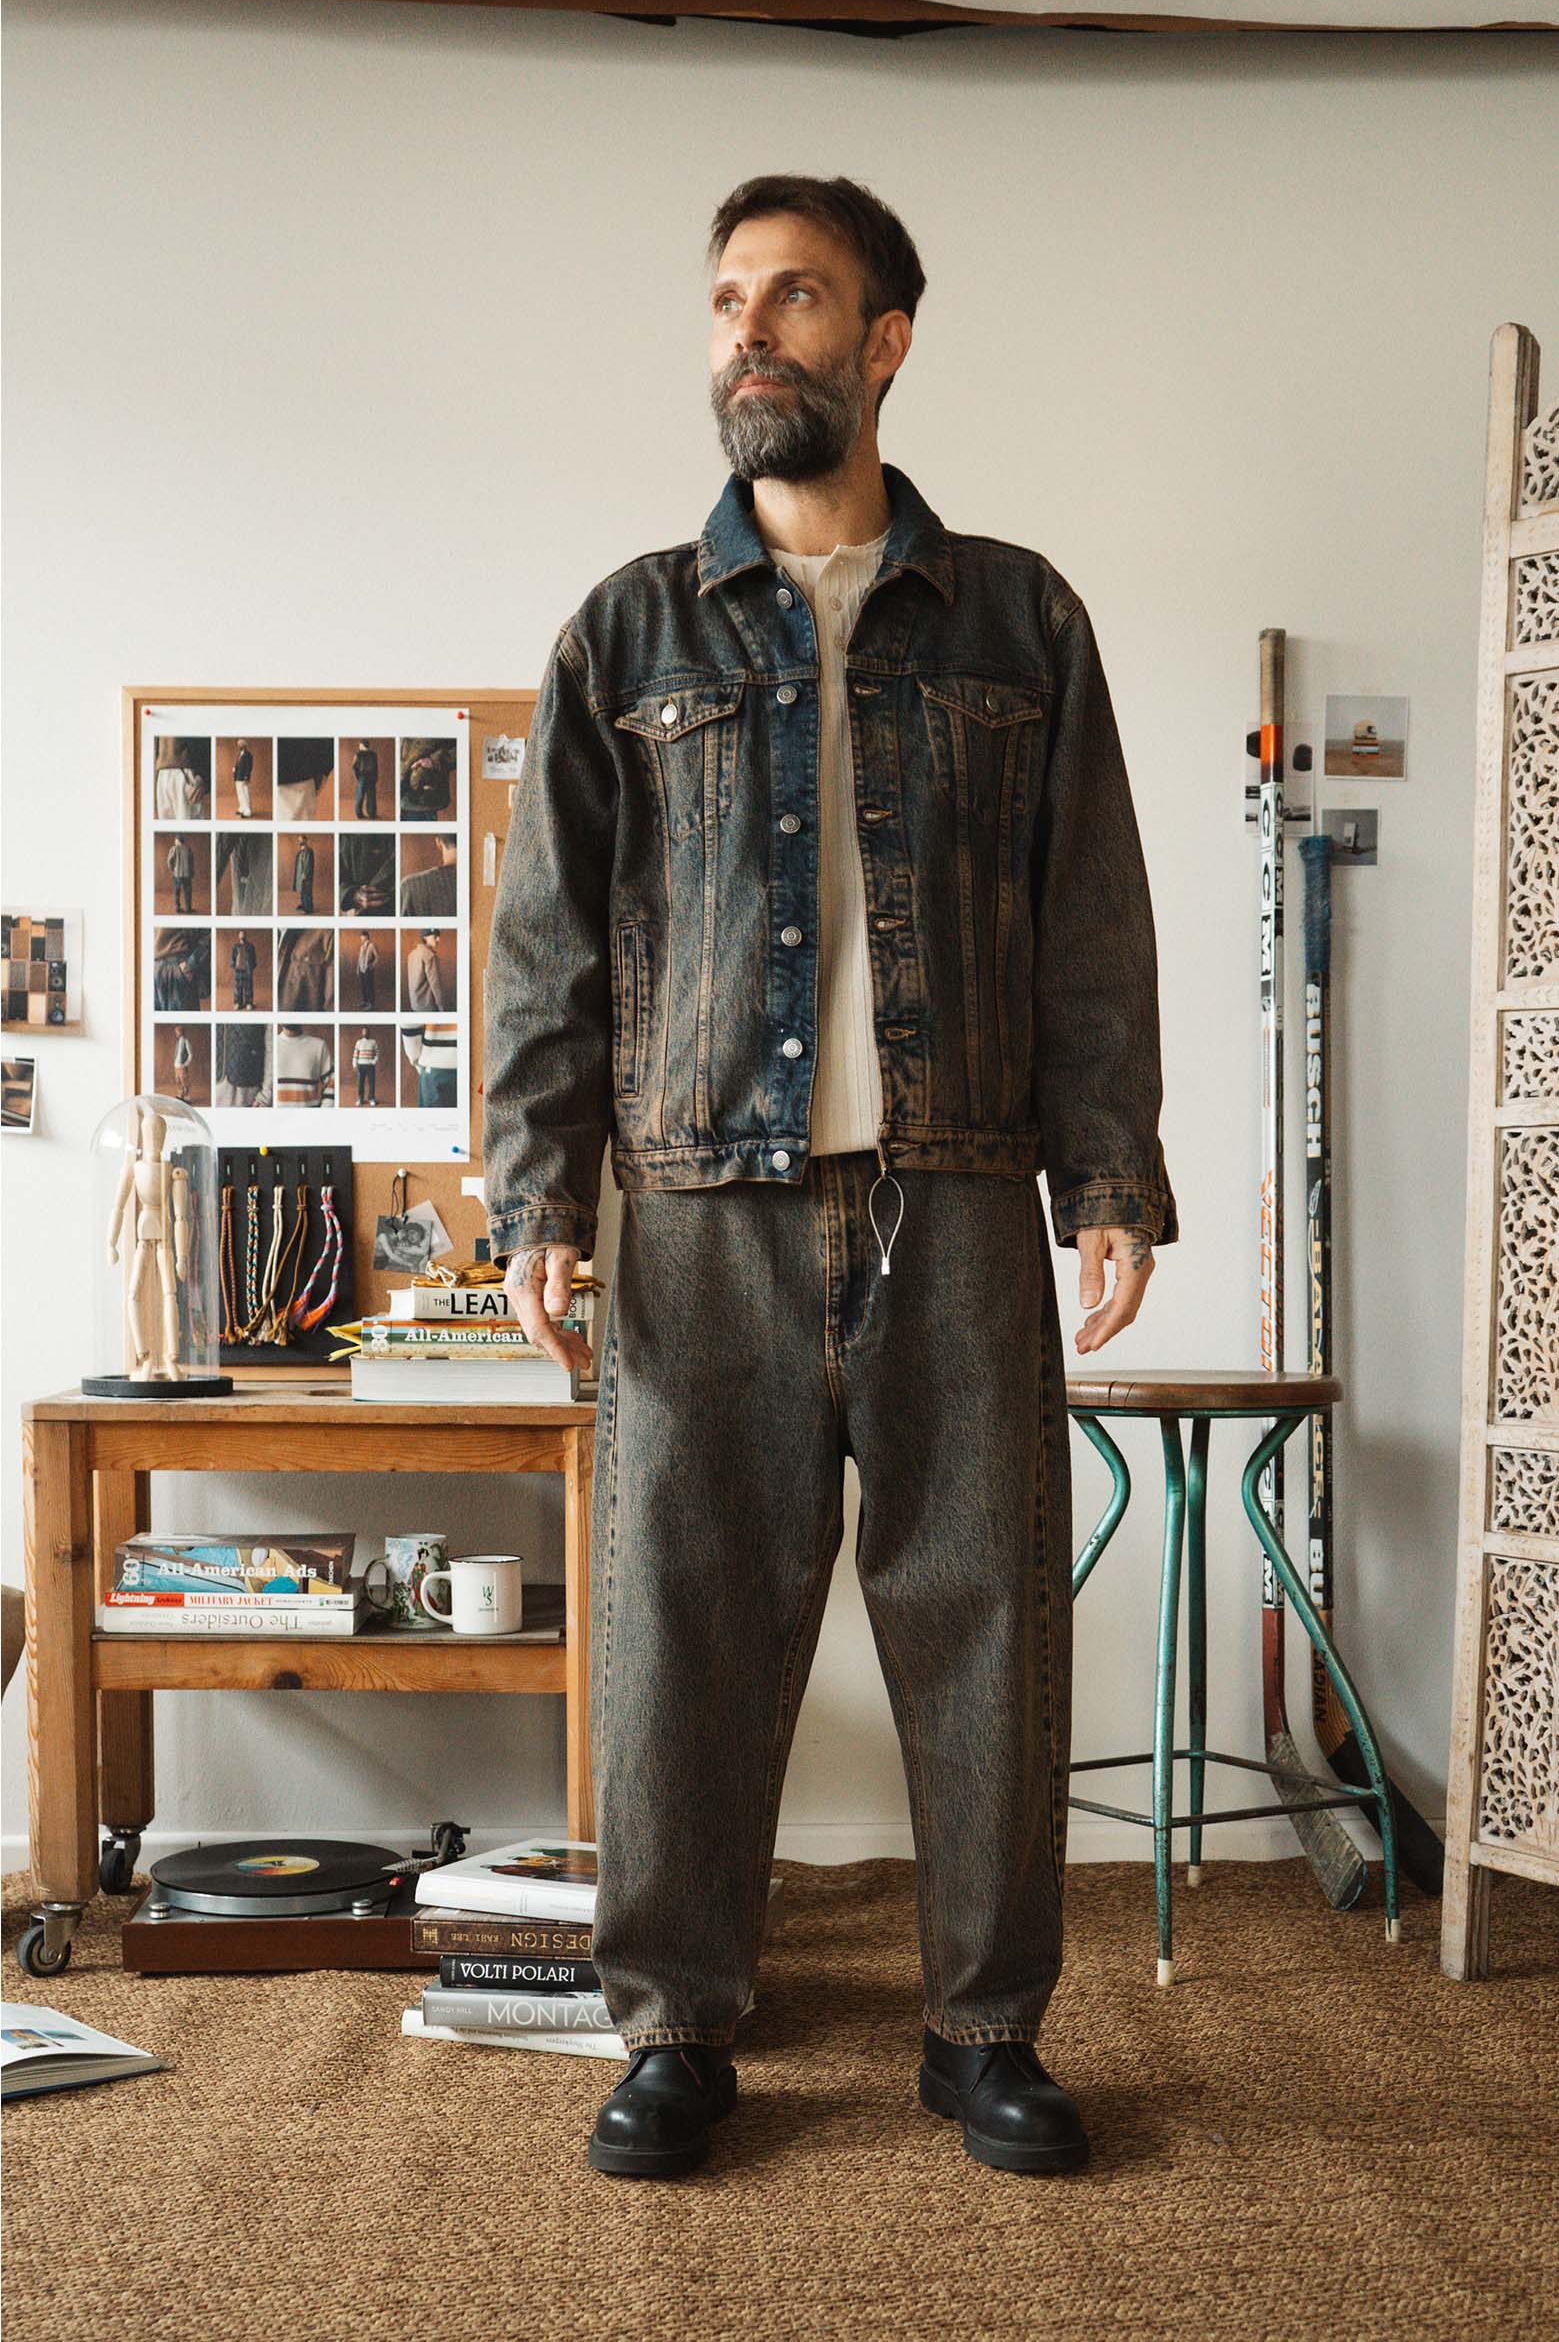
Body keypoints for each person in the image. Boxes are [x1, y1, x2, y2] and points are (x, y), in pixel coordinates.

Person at [483, 175, 1177, 2183]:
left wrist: (1105, 1170)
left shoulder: (1018, 618)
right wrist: (537, 1197)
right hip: (694, 1203)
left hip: (955, 1191)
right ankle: (676, 2029)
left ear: (882, 341)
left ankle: (981, 2031)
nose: (746, 331)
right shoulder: (626, 628)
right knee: (681, 1626)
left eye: (792, 296)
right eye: (725, 298)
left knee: (983, 1619)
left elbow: (1087, 917)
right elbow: (546, 945)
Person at [406, 929, 446, 1012]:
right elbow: (435, 983)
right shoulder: (430, 956)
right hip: (428, 1005)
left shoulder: (412, 954)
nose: (438, 939)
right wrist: (440, 1004)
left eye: (439, 936)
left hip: (415, 1003)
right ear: (425, 937)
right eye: (435, 936)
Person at [165, 835, 195, 915]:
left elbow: (169, 861)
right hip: (187, 874)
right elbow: (191, 863)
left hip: (177, 874)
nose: (175, 841)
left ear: (178, 841)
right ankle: (188, 908)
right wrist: (192, 873)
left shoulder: (173, 849)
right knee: (187, 892)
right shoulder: (188, 849)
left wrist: (173, 869)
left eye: (175, 840)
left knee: (177, 892)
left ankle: (177, 908)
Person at [230, 930, 256, 1011]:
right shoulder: (235, 946)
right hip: (238, 969)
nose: (242, 935)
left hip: (247, 968)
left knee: (248, 986)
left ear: (245, 935)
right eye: (240, 934)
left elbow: (253, 957)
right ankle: (238, 1003)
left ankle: (249, 1003)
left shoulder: (250, 946)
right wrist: (233, 965)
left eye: (243, 934)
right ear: (238, 936)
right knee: (238, 987)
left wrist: (251, 966)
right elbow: (233, 957)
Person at [353, 741, 379, 821]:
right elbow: (376, 767)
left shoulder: (358, 754)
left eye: (359, 745)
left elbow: (354, 766)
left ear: (362, 745)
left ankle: (359, 814)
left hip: (362, 778)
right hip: (371, 778)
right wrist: (376, 778)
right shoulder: (374, 754)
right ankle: (372, 814)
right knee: (371, 796)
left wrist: (357, 777)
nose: (359, 746)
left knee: (360, 796)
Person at [353, 1030, 379, 1107]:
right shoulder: (358, 1042)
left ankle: (371, 1098)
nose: (365, 1033)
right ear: (361, 1033)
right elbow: (355, 1054)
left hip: (370, 1065)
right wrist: (354, 1064)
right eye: (363, 1032)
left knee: (372, 1083)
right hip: (360, 1065)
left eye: (366, 1032)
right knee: (360, 1083)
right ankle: (360, 1098)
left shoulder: (373, 1042)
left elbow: (377, 1052)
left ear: (369, 1033)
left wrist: (374, 1061)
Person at [292, 835, 316, 917]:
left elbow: (308, 863)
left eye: (301, 840)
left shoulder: (309, 851)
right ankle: (303, 905)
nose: (299, 841)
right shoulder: (300, 851)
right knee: (302, 890)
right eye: (298, 840)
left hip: (306, 875)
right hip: (300, 875)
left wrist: (305, 874)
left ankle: (308, 908)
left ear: (305, 840)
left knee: (307, 891)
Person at [356, 933, 380, 1009]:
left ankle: (372, 1004)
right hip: (361, 969)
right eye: (360, 937)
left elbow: (377, 957)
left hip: (368, 969)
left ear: (366, 937)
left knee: (369, 987)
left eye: (362, 937)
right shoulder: (361, 946)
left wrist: (372, 965)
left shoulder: (372, 945)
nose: (361, 938)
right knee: (363, 986)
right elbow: (359, 958)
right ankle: (365, 1001)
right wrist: (357, 968)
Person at [232, 740, 254, 818]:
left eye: (240, 744)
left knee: (245, 794)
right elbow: (238, 764)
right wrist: (235, 768)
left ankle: (247, 811)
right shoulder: (239, 754)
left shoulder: (248, 755)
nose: (239, 746)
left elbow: (249, 767)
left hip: (243, 777)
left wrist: (246, 776)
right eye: (238, 744)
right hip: (238, 776)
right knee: (240, 794)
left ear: (244, 745)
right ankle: (242, 808)